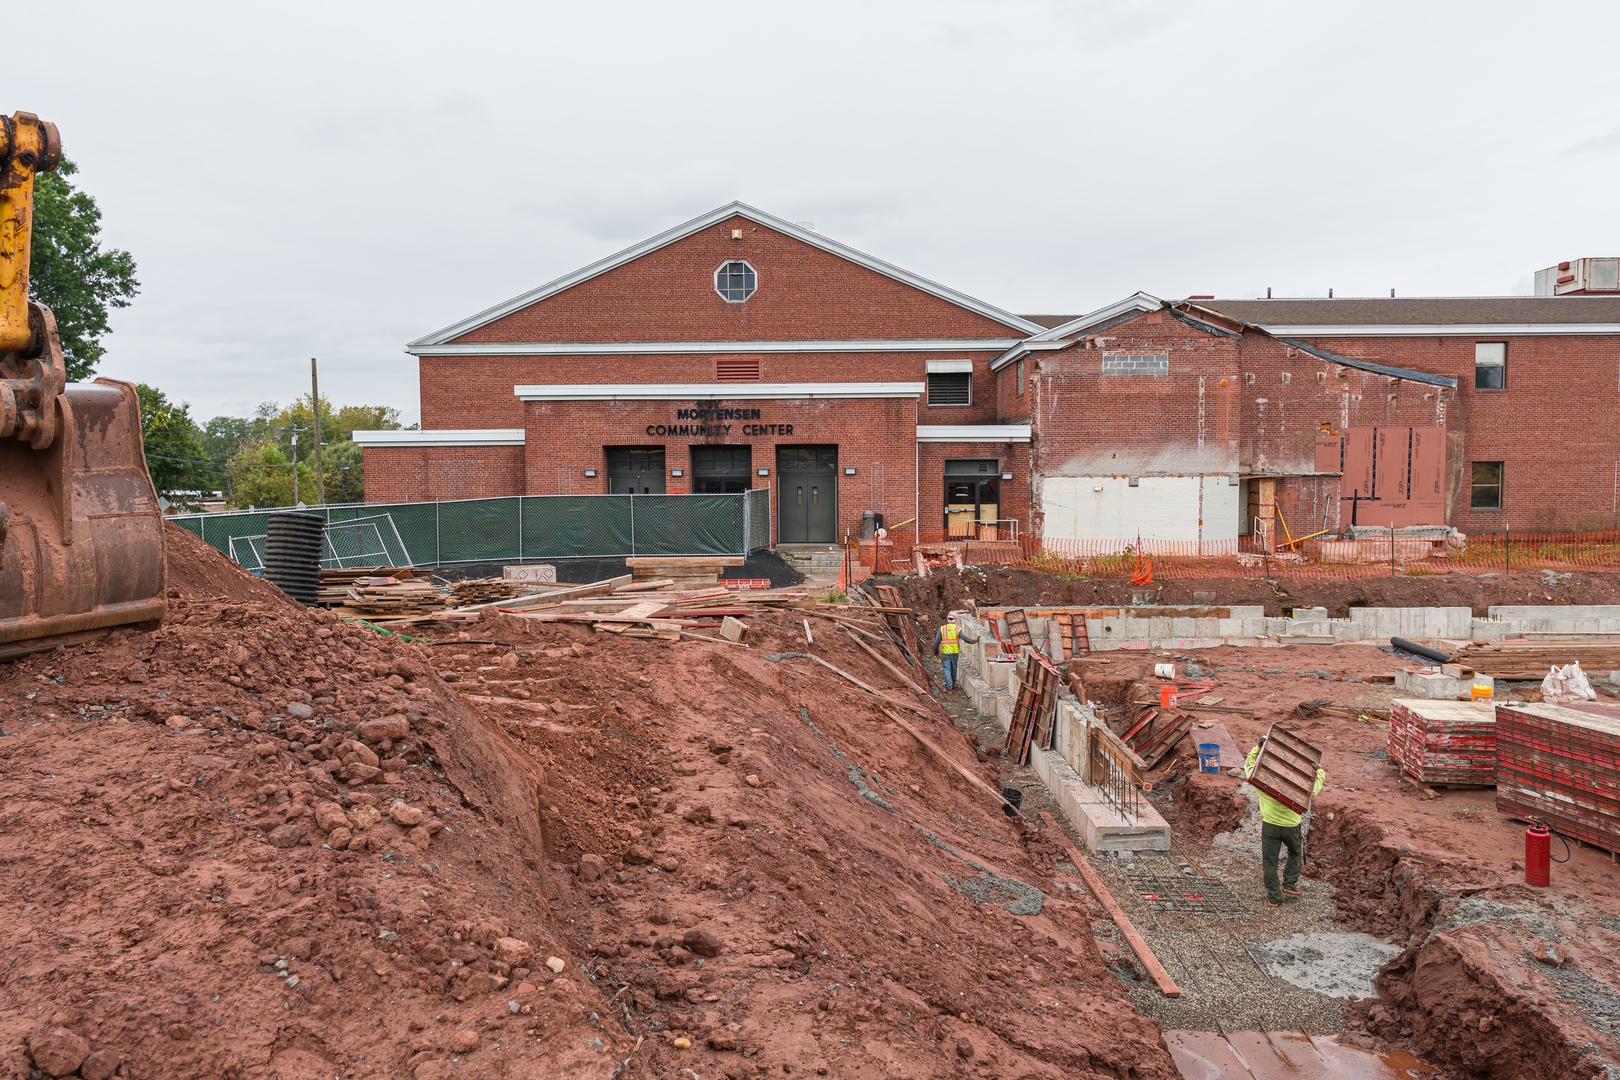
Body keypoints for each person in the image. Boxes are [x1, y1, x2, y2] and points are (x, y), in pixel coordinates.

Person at [1243, 737, 1326, 908]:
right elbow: (1314, 789)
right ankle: (1289, 884)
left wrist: (1257, 749)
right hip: (1292, 827)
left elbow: (1249, 768)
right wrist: (1320, 772)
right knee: (1295, 854)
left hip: (1270, 827)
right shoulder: (1298, 790)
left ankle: (1274, 897)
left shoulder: (1264, 787)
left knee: (1270, 861)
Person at [932, 613, 978, 692]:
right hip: (954, 652)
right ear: (955, 620)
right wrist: (974, 641)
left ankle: (948, 688)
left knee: (947, 669)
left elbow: (937, 641)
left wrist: (935, 651)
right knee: (954, 668)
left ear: (947, 619)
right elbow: (965, 639)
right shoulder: (957, 629)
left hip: (945, 653)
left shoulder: (942, 629)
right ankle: (953, 683)